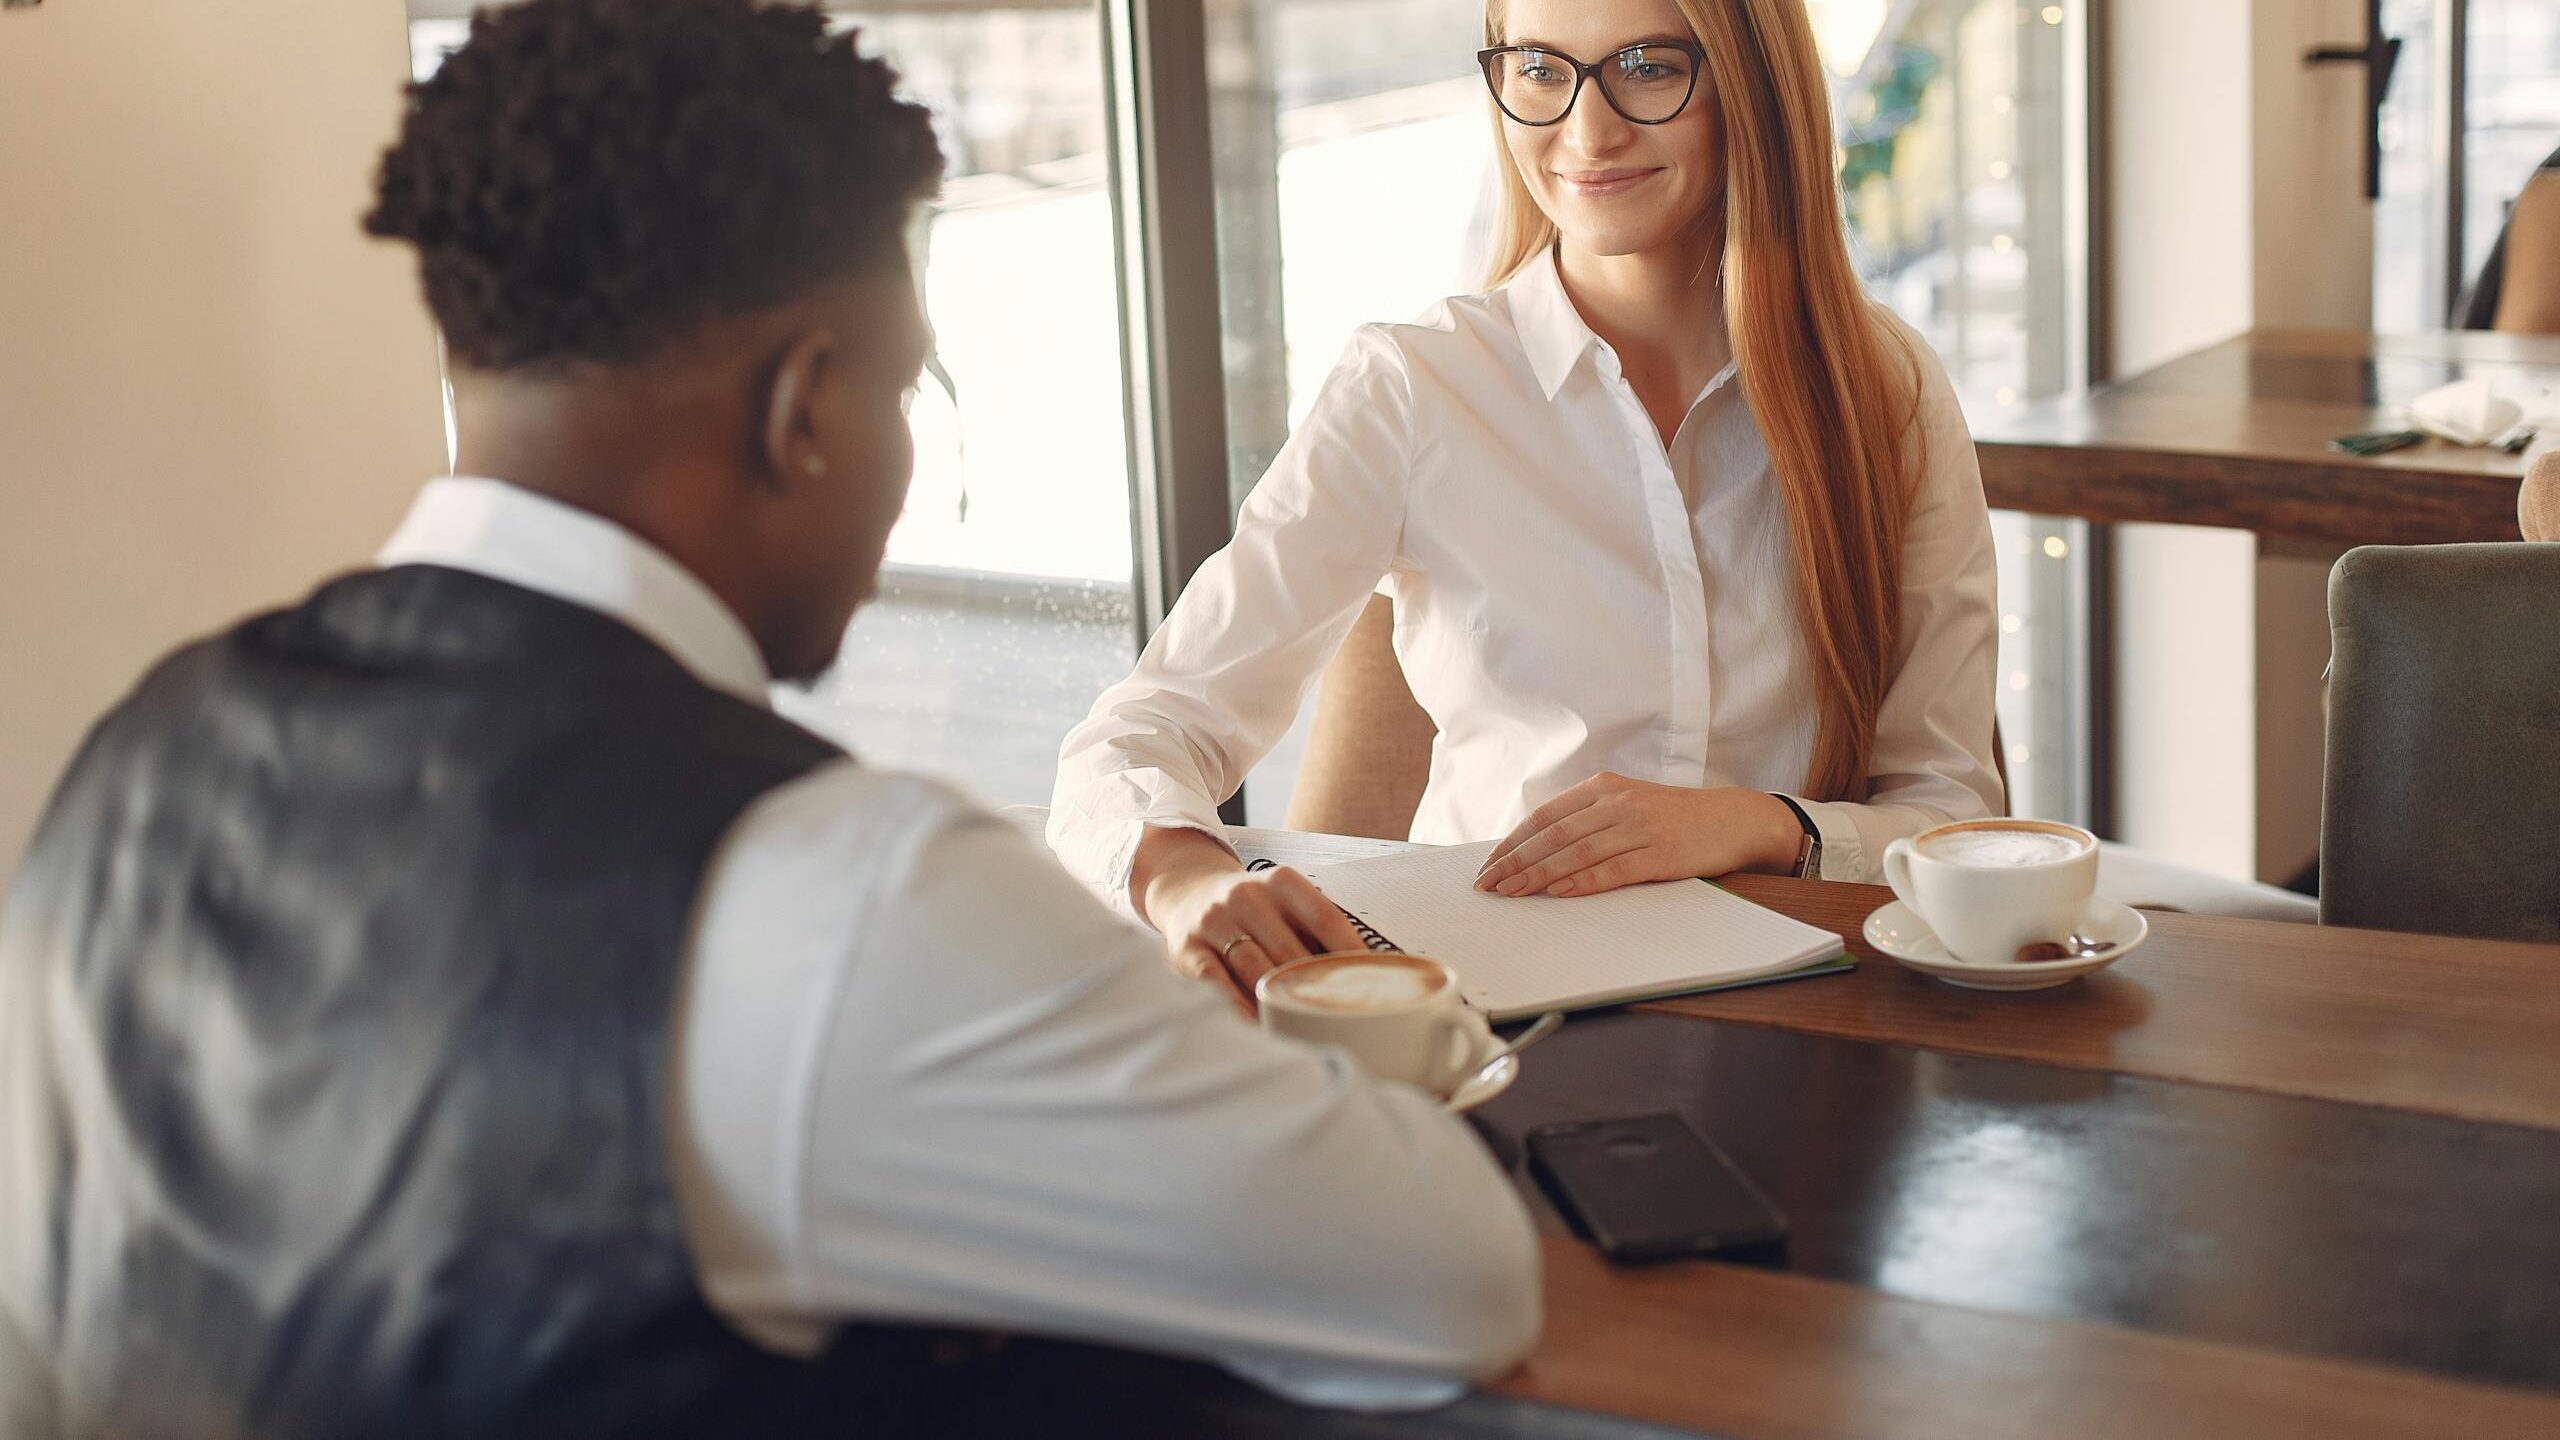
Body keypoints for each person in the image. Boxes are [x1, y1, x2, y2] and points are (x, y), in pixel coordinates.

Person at [0, 3, 1538, 1435]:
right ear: (803, 407)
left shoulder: (135, 757)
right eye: (909, 391)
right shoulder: (838, 889)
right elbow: (1454, 1271)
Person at [1049, 0, 2001, 998]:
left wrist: (1758, 824)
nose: (1587, 131)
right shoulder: (1413, 389)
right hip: (1482, 1018)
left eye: (1645, 65)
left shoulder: (1883, 388)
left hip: (1813, 1019)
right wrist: (1188, 880)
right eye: (1542, 70)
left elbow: (1956, 817)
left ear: (1750, 86)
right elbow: (1136, 736)